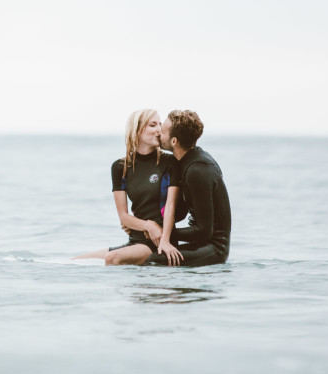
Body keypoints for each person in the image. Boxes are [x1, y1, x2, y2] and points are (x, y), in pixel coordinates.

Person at [72, 109, 185, 266]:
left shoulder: (170, 163)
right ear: (137, 130)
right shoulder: (120, 167)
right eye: (153, 125)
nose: (159, 129)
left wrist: (164, 238)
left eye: (160, 124)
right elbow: (123, 217)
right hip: (134, 241)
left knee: (112, 258)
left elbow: (171, 205)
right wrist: (147, 225)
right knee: (74, 261)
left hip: (157, 242)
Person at [144, 110, 231, 267]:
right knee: (148, 252)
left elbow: (205, 231)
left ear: (174, 141)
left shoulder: (197, 170)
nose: (158, 132)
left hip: (214, 249)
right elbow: (180, 212)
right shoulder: (186, 162)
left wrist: (163, 233)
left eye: (162, 131)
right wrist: (146, 224)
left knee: (154, 261)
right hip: (201, 243)